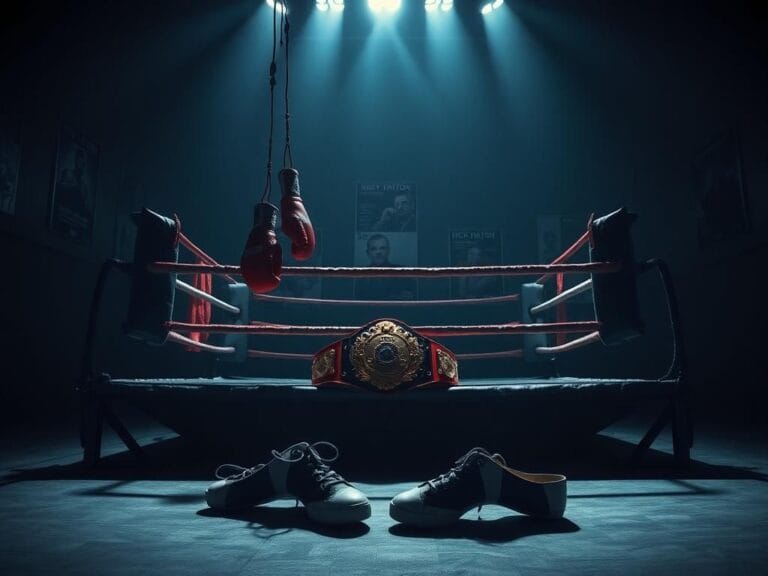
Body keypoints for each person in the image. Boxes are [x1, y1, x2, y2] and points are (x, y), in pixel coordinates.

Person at [356, 234, 417, 300]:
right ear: (368, 253)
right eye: (373, 249)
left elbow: (410, 298)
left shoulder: (402, 273)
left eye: (382, 248)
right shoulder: (361, 276)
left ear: (388, 250)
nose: (378, 252)